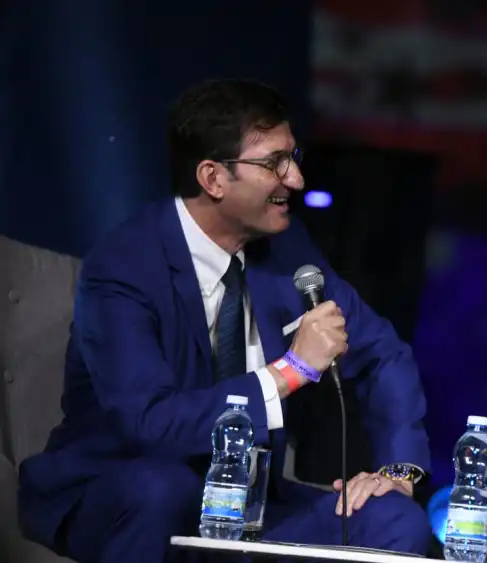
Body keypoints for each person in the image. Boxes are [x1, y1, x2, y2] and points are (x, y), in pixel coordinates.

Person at [18, 78, 432, 562]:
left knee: (395, 520)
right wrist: (291, 372)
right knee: (164, 488)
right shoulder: (123, 267)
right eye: (275, 163)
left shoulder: (286, 249)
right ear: (213, 178)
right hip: (120, 489)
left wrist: (400, 472)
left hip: (248, 502)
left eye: (293, 157)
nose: (295, 179)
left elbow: (383, 353)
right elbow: (148, 423)